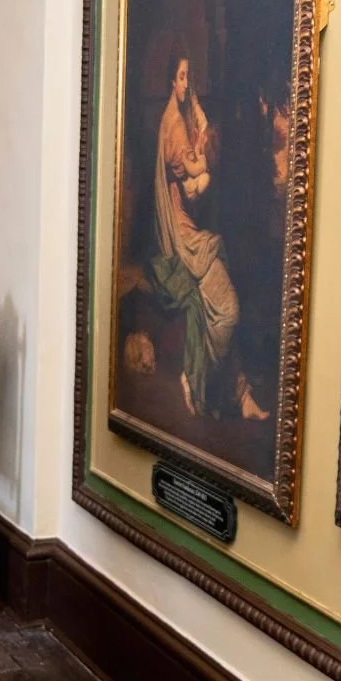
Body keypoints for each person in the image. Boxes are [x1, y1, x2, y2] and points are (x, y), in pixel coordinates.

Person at [151, 55, 269, 422]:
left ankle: (240, 394)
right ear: (172, 81)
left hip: (194, 232)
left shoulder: (184, 117)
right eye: (183, 77)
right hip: (185, 241)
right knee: (229, 310)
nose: (188, 84)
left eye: (190, 76)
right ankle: (202, 379)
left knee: (226, 306)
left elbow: (199, 160)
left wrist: (199, 116)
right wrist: (208, 156)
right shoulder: (173, 128)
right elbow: (194, 182)